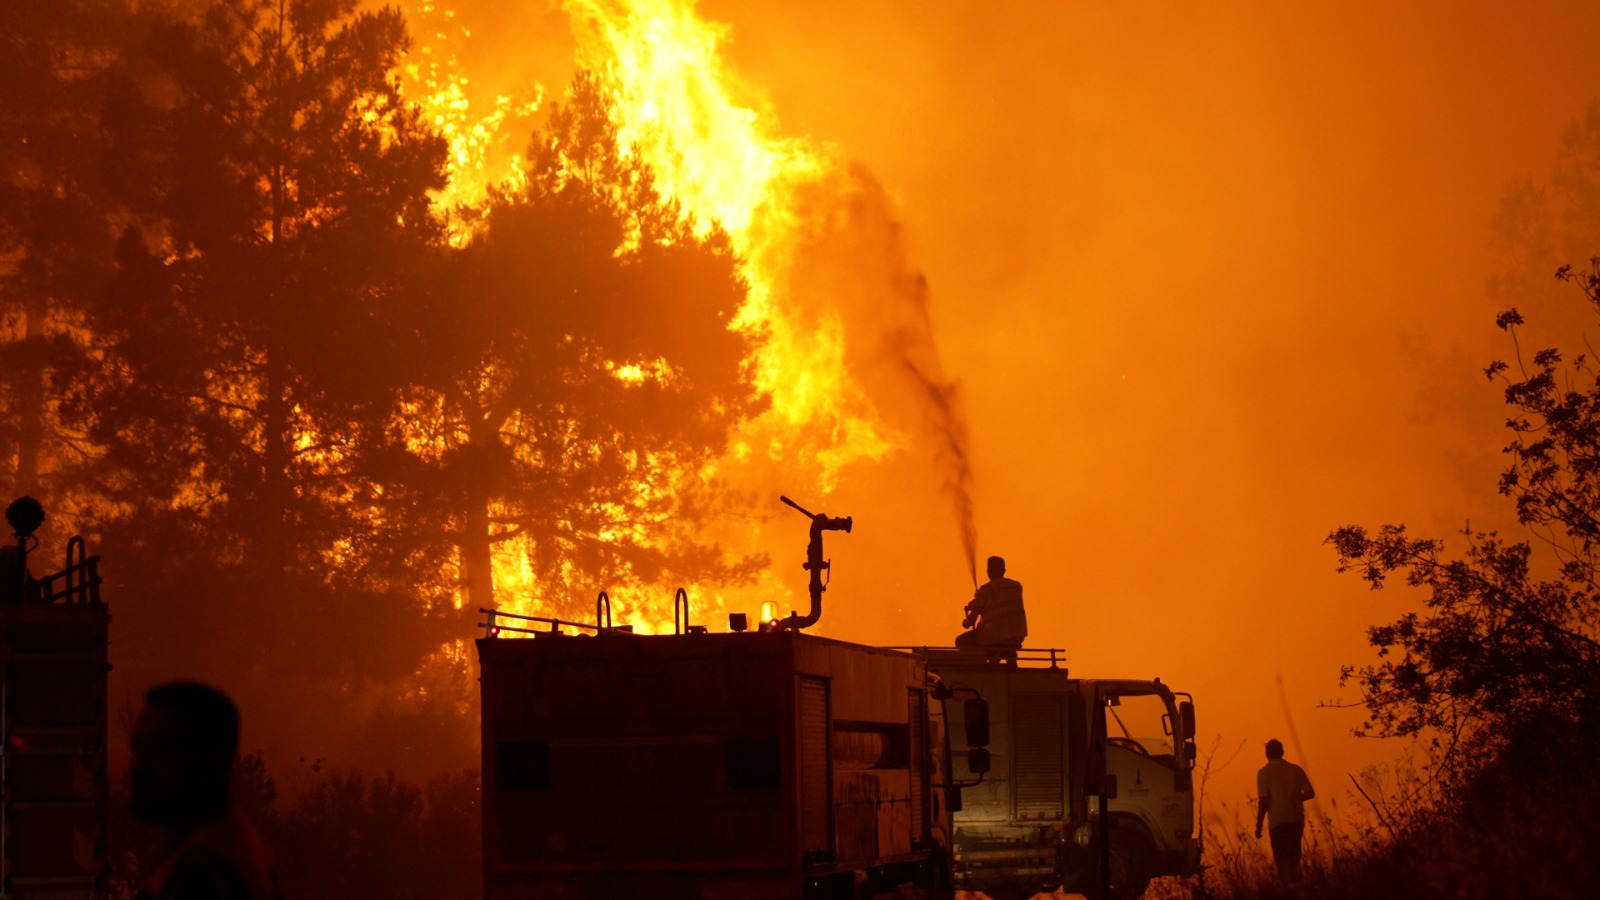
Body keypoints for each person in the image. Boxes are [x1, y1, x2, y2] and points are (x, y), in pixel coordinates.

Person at [131, 682, 284, 900]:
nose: (138, 768)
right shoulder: (234, 850)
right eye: (137, 747)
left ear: (214, 760)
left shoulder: (203, 873)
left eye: (161, 750)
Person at [1254, 738, 1315, 880]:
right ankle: (1297, 885)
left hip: (1277, 822)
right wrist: (1296, 798)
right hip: (1296, 819)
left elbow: (1264, 801)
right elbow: (1310, 793)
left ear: (1267, 754)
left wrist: (1259, 824)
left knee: (1282, 862)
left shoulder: (1263, 773)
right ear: (1282, 752)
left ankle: (1287, 887)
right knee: (1294, 859)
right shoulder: (1296, 769)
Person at [954, 555, 1027, 649]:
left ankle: (983, 658)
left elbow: (971, 621)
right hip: (1017, 637)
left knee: (961, 641)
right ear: (1004, 570)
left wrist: (965, 622)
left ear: (988, 571)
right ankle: (1007, 657)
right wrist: (978, 598)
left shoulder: (986, 589)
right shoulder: (1016, 586)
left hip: (995, 637)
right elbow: (1001, 600)